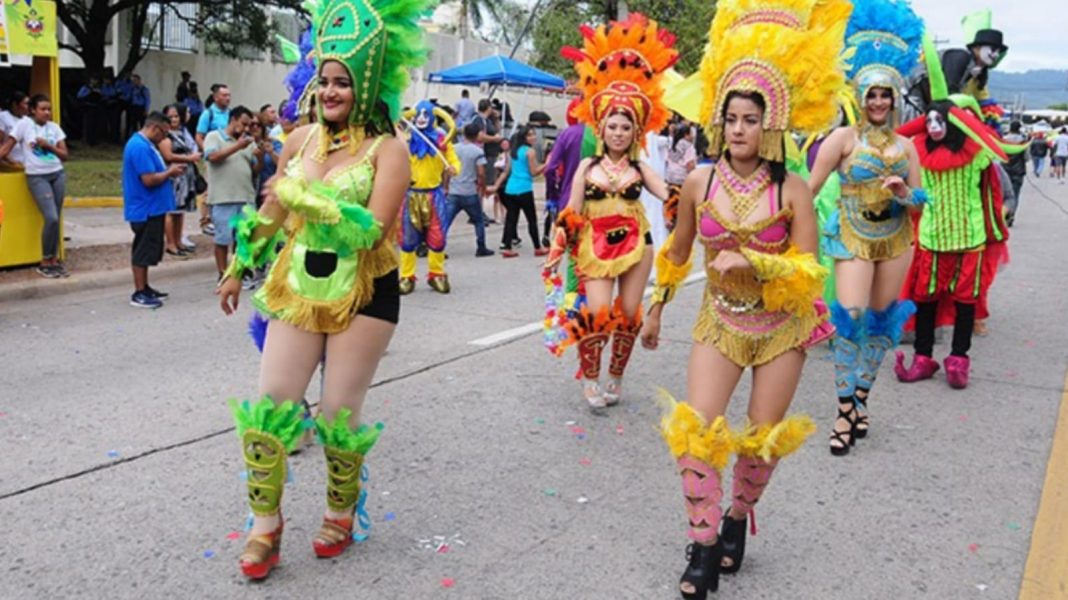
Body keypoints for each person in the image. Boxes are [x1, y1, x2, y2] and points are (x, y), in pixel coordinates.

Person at [214, 0, 424, 579]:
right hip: (298, 286)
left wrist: (304, 196)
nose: (331, 92)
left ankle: (338, 510)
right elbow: (270, 210)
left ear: (367, 85)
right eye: (325, 80)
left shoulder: (390, 151)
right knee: (271, 411)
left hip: (367, 291)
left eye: (343, 82)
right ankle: (265, 527)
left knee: (337, 412)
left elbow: (372, 230)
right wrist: (239, 264)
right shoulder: (299, 141)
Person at [640, 0, 843, 594]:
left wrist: (751, 258)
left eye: (750, 119)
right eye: (730, 117)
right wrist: (656, 306)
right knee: (696, 431)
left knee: (758, 444)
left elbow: (809, 272)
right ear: (718, 121)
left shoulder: (795, 188)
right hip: (720, 322)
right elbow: (677, 249)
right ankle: (702, 548)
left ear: (770, 124)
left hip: (782, 328)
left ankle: (735, 519)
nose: (738, 129)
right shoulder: (700, 180)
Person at [807, 0, 925, 455]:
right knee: (849, 319)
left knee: (879, 324)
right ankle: (842, 412)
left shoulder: (907, 147)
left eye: (885, 95)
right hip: (851, 235)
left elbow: (918, 205)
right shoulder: (843, 139)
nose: (878, 102)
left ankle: (860, 399)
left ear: (895, 98)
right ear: (859, 95)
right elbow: (810, 189)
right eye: (871, 94)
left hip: (896, 239)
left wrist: (902, 194)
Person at [550, 14, 674, 410]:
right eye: (612, 126)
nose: (618, 132)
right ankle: (590, 380)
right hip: (594, 247)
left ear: (636, 132)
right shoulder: (587, 168)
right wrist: (558, 254)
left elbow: (668, 193)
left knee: (629, 315)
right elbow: (571, 211)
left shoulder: (640, 169)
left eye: (625, 127)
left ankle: (616, 377)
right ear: (600, 129)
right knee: (598, 313)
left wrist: (689, 200)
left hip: (639, 246)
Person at [895, 36, 1012, 390]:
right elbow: (912, 189)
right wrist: (902, 196)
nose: (932, 126)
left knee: (965, 303)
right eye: (929, 120)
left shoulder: (978, 154)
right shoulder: (917, 150)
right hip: (931, 239)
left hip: (969, 241)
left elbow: (994, 190)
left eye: (938, 120)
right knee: (925, 301)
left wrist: (1001, 219)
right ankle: (924, 357)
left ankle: (959, 359)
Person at [0, 94, 70, 278]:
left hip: (57, 173)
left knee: (56, 218)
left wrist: (49, 146)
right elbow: (7, 146)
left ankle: (54, 260)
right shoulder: (24, 125)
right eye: (42, 109)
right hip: (37, 177)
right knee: (51, 217)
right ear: (32, 110)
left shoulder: (54, 128)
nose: (47, 113)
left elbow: (64, 155)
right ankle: (45, 260)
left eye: (49, 109)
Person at [123, 112, 185, 308]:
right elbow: (148, 179)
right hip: (145, 208)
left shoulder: (147, 145)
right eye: (164, 133)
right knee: (142, 250)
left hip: (153, 207)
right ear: (154, 128)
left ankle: (146, 286)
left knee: (149, 250)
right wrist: (170, 172)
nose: (164, 138)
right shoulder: (139, 147)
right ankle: (139, 292)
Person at [398, 100, 460, 294]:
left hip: (434, 195)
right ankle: (406, 276)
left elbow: (454, 162)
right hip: (410, 195)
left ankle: (437, 274)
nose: (421, 118)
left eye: (426, 115)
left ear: (433, 118)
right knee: (407, 239)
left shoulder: (442, 141)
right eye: (419, 115)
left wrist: (453, 169)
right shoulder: (406, 139)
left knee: (437, 237)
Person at [203, 105, 262, 281]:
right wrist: (237, 146)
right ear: (233, 119)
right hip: (223, 198)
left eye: (248, 125)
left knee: (243, 239)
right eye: (243, 124)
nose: (245, 129)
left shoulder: (247, 142)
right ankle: (223, 272)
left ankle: (240, 270)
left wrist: (259, 157)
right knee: (222, 239)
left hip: (245, 197)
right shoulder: (213, 137)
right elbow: (212, 157)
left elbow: (255, 170)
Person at [496, 125, 548, 258]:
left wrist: (496, 186)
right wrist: (547, 164)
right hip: (524, 188)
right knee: (531, 219)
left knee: (511, 219)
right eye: (530, 135)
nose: (533, 137)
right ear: (524, 137)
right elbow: (534, 172)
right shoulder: (530, 151)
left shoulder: (512, 151)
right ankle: (537, 247)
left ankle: (507, 247)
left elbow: (507, 170)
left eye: (534, 134)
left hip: (511, 189)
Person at [158, 104, 201, 258]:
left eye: (176, 116)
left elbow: (193, 147)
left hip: (186, 175)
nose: (174, 119)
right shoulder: (165, 135)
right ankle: (170, 243)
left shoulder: (184, 131)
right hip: (173, 175)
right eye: (170, 117)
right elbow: (168, 156)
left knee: (181, 211)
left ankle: (178, 241)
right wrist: (188, 158)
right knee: (171, 210)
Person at [446, 123, 494, 257]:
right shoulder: (477, 151)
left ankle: (438, 247)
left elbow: (447, 170)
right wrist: (483, 187)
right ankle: (481, 247)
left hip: (454, 190)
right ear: (477, 135)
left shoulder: (454, 149)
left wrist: (446, 186)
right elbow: (481, 173)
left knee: (446, 221)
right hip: (469, 191)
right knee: (478, 220)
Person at [472, 99, 504, 222]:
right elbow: (480, 137)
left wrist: (496, 119)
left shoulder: (487, 121)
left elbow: (497, 129)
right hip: (484, 154)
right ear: (488, 108)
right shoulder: (479, 120)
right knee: (481, 183)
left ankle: (480, 209)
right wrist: (495, 139)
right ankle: (477, 210)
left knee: (485, 183)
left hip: (490, 154)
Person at [664, 124, 696, 232]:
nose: (693, 135)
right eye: (691, 133)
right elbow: (690, 165)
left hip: (670, 179)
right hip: (683, 181)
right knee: (683, 207)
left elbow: (667, 160)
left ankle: (670, 224)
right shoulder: (688, 146)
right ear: (686, 134)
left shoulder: (671, 144)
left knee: (671, 204)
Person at [1002, 121, 1026, 224]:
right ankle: (1011, 215)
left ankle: (1004, 214)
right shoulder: (1023, 141)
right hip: (1018, 171)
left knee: (1004, 194)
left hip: (1005, 169)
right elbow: (1027, 158)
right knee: (1015, 195)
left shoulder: (1003, 140)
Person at [196, 83, 231, 150]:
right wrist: (208, 152)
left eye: (229, 95)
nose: (228, 98)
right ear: (215, 98)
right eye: (224, 95)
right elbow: (199, 137)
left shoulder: (231, 113)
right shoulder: (208, 114)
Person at [0, 91, 29, 167]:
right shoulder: (3, 117)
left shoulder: (27, 120)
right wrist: (12, 162)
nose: (28, 106)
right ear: (15, 104)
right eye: (26, 103)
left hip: (25, 164)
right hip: (9, 165)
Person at [77, 75, 105, 146]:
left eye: (96, 80)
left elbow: (102, 96)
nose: (94, 82)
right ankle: (87, 140)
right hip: (88, 108)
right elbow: (79, 96)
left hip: (96, 108)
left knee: (95, 125)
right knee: (87, 125)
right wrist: (89, 92)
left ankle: (94, 140)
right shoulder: (85, 88)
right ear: (90, 80)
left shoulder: (98, 88)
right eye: (93, 80)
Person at [125, 74, 151, 140]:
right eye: (133, 81)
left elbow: (147, 100)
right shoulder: (132, 89)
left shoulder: (144, 89)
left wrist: (146, 110)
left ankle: (143, 138)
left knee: (142, 124)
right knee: (133, 124)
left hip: (141, 108)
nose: (134, 82)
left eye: (135, 80)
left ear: (139, 80)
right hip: (134, 108)